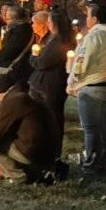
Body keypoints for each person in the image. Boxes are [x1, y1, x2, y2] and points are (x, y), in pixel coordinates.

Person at [0, 74, 59, 184]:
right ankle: (34, 173)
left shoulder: (14, 99)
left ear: (0, 93)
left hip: (34, 152)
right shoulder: (31, 94)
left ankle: (16, 176)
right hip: (49, 154)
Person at [67, 3, 106, 172]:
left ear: (95, 19)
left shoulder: (93, 37)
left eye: (88, 16)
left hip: (93, 86)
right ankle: (101, 160)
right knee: (100, 127)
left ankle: (91, 163)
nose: (86, 19)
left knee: (90, 129)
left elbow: (81, 63)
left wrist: (72, 82)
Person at [30, 10, 74, 158]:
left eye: (49, 22)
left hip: (50, 85)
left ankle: (51, 152)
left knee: (51, 120)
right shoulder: (59, 39)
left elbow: (42, 62)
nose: (47, 24)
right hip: (51, 84)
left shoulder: (58, 41)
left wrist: (34, 57)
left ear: (55, 24)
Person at [0, 5, 33, 87]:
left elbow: (10, 50)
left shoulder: (19, 32)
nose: (6, 21)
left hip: (15, 70)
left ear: (15, 19)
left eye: (7, 19)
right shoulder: (22, 29)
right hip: (17, 68)